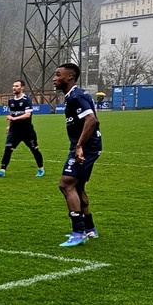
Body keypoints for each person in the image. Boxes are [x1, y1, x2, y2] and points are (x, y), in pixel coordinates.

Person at [53, 63, 102, 247]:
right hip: (87, 146)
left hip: (86, 147)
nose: (54, 78)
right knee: (78, 186)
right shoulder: (74, 96)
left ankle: (78, 232)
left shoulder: (75, 96)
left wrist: (79, 146)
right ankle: (89, 229)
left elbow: (91, 120)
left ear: (70, 77)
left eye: (58, 75)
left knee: (66, 184)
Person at [0, 80, 45, 178]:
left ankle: (41, 169)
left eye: (16, 86)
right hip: (14, 131)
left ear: (22, 87)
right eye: (13, 86)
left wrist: (14, 118)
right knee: (8, 149)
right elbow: (12, 114)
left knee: (34, 149)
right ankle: (2, 171)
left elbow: (27, 115)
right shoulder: (11, 101)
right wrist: (9, 125)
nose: (14, 88)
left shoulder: (26, 99)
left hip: (27, 131)